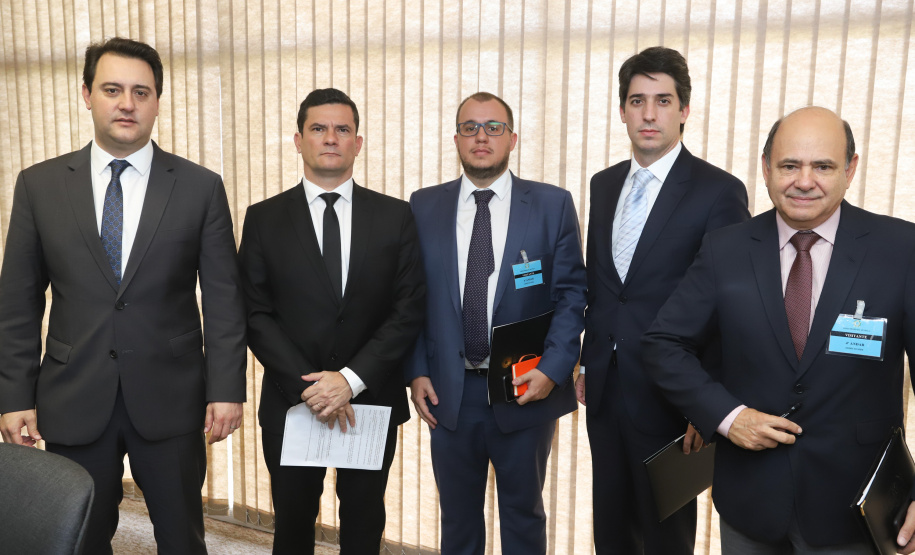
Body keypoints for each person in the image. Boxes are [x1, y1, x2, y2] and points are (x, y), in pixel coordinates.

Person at [0, 37, 246, 554]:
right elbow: (18, 304)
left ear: (157, 101)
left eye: (141, 92)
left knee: (182, 539)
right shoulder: (39, 185)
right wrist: (15, 395)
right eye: (112, 89)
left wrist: (226, 388)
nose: (127, 103)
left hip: (171, 398)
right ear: (87, 94)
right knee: (77, 540)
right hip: (73, 395)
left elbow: (224, 298)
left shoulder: (200, 187)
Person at [643, 106, 915, 553]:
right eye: (789, 165)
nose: (804, 181)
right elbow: (663, 344)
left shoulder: (901, 250)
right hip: (749, 502)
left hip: (857, 508)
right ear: (766, 168)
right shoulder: (724, 249)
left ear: (850, 170)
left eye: (823, 166)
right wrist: (729, 417)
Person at [577, 46, 749, 554]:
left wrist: (707, 404)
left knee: (665, 536)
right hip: (605, 388)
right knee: (610, 528)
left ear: (684, 110)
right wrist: (588, 359)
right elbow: (603, 286)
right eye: (637, 101)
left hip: (673, 395)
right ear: (622, 110)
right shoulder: (604, 184)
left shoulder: (719, 191)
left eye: (663, 100)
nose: (648, 114)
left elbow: (730, 307)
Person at [238, 88, 425, 555]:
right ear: (298, 140)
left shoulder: (396, 216)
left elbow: (408, 309)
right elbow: (255, 313)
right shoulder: (263, 218)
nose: (330, 138)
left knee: (364, 525)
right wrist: (313, 387)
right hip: (293, 400)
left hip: (370, 400)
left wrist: (350, 380)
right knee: (292, 527)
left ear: (357, 143)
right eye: (318, 128)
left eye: (342, 129)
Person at [406, 91, 587, 554]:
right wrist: (417, 370)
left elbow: (572, 295)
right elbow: (411, 298)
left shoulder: (551, 204)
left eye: (493, 127)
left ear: (513, 139)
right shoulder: (423, 206)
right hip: (449, 391)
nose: (481, 137)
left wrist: (553, 368)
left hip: (526, 385)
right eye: (470, 128)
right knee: (458, 520)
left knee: (523, 516)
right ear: (456, 139)